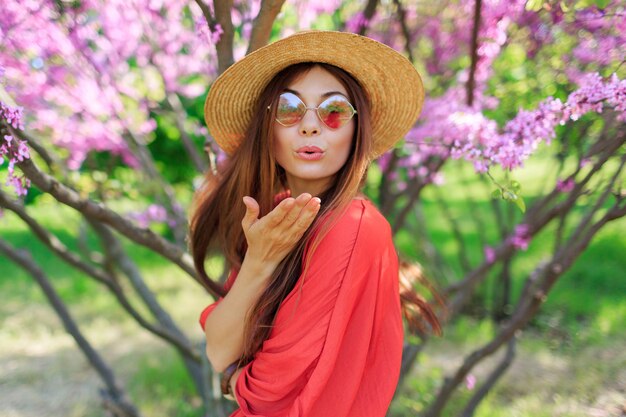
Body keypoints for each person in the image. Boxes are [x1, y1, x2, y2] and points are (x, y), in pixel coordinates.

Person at [189, 30, 441, 417]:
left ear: (357, 130)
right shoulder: (274, 215)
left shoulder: (354, 227)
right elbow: (220, 350)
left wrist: (235, 381)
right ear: (267, 129)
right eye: (289, 108)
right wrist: (259, 261)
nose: (310, 126)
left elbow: (271, 393)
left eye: (334, 111)